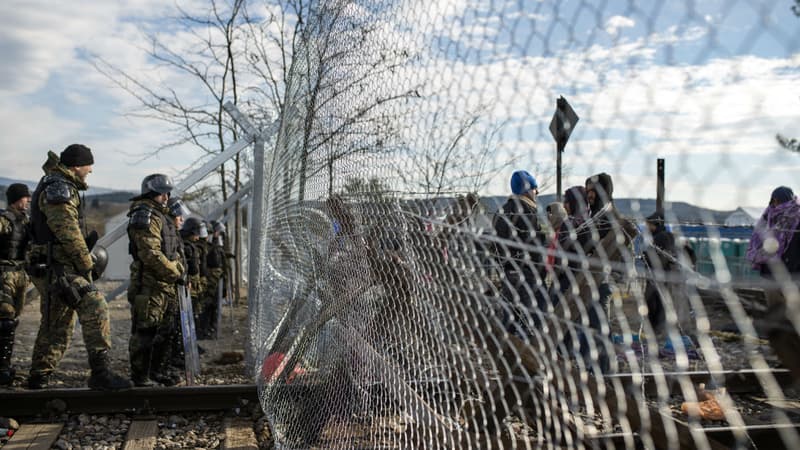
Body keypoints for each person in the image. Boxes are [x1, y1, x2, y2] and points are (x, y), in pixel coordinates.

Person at [27, 145, 131, 390]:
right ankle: (101, 373)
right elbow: (67, 231)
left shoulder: (56, 184)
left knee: (58, 323)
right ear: (76, 166)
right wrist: (86, 264)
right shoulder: (59, 188)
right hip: (59, 267)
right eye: (88, 165)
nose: (90, 170)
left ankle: (38, 378)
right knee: (94, 304)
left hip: (56, 266)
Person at [127, 174, 185, 387]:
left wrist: (178, 270)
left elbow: (172, 250)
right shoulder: (146, 215)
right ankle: (140, 376)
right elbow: (150, 253)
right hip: (150, 284)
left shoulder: (162, 216)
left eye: (167, 193)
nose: (166, 197)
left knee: (164, 330)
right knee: (146, 330)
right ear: (152, 193)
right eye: (162, 193)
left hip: (164, 283)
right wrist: (174, 272)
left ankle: (156, 371)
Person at [746, 186, 800, 380]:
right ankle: (785, 356)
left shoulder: (797, 217)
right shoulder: (768, 217)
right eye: (774, 201)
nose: (775, 204)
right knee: (777, 316)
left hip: (792, 275)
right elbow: (758, 241)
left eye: (777, 201)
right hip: (770, 275)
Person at [492, 170, 547, 335]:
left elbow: (495, 247)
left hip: (508, 271)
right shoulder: (527, 211)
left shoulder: (502, 211)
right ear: (528, 189)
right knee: (538, 317)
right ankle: (535, 347)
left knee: (510, 316)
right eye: (535, 189)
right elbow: (535, 246)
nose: (537, 193)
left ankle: (505, 348)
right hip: (528, 272)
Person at [0, 184, 32, 385]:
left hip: (20, 274)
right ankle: (2, 368)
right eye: (25, 197)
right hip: (4, 274)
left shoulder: (25, 220)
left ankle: (5, 366)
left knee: (12, 321)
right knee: (5, 320)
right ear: (16, 199)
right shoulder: (4, 219)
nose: (28, 200)